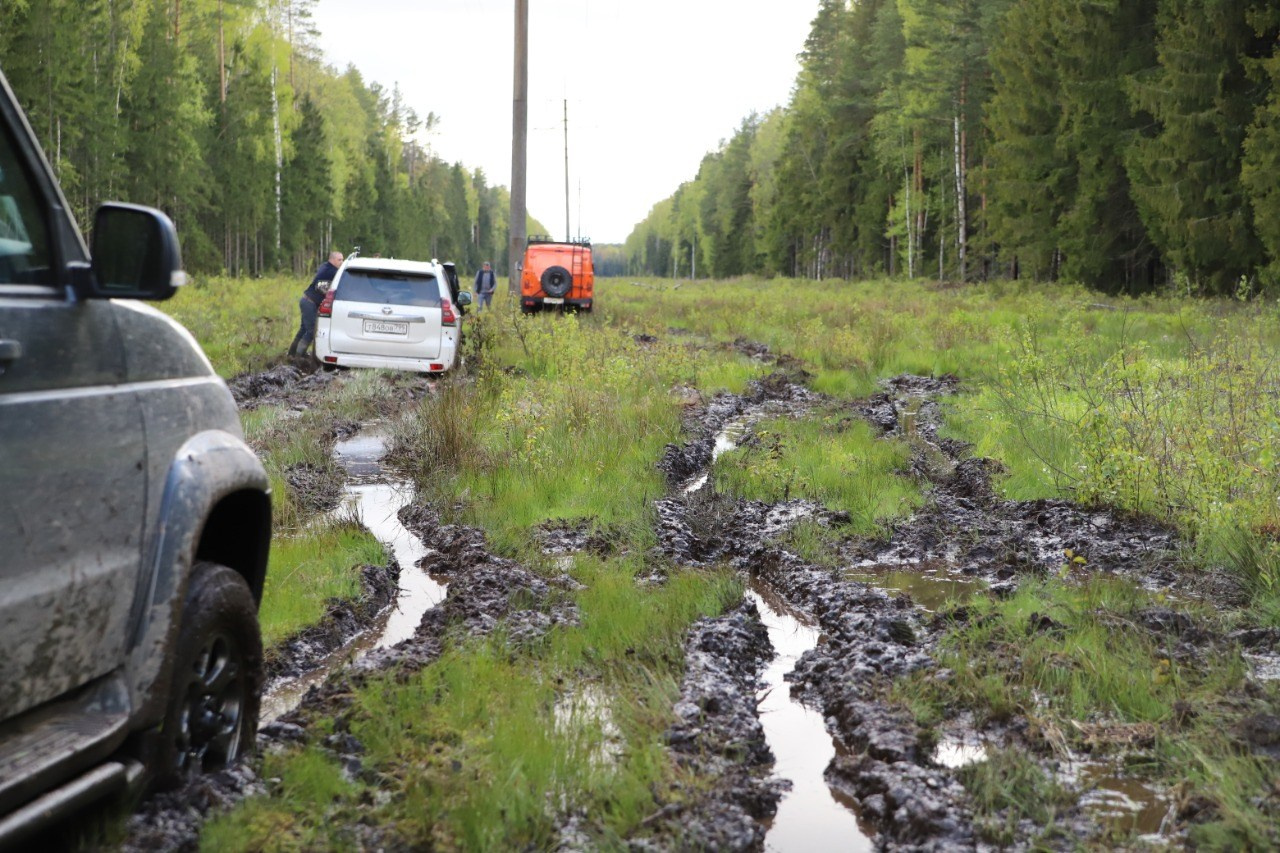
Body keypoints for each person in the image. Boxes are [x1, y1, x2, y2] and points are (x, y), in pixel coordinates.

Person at [289, 250, 344, 357]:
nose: (342, 262)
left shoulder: (325, 266)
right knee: (312, 331)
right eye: (339, 260)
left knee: (304, 329)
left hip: (306, 301)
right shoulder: (331, 271)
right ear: (332, 260)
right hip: (310, 303)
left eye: (343, 259)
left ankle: (291, 353)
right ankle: (299, 356)